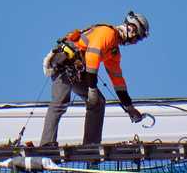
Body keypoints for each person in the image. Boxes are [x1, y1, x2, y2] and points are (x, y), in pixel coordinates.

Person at [39, 11, 149, 145]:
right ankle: (47, 143)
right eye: (137, 37)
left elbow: (118, 81)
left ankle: (91, 144)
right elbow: (92, 56)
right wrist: (92, 88)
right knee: (60, 101)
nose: (135, 42)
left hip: (78, 70)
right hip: (64, 63)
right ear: (131, 28)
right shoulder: (107, 33)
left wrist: (129, 107)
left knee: (98, 102)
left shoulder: (114, 51)